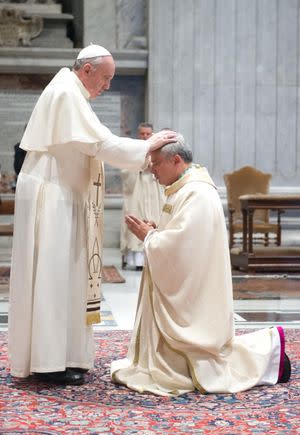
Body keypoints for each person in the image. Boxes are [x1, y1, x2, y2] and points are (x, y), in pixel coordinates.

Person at [8, 44, 177, 385]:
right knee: (53, 277)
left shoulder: (70, 91)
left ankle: (64, 356)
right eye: (105, 78)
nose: (107, 86)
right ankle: (48, 362)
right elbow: (100, 144)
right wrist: (146, 147)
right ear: (87, 70)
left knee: (65, 276)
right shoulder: (66, 93)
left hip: (63, 194)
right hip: (52, 195)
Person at [111, 134, 291, 396]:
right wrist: (156, 231)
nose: (153, 171)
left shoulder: (198, 193)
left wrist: (149, 237)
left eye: (156, 164)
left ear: (176, 160)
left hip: (196, 289)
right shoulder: (183, 188)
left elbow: (180, 246)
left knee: (208, 360)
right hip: (190, 280)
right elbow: (179, 237)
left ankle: (268, 354)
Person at [120, 123, 165, 270]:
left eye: (148, 134)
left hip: (154, 187)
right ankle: (136, 261)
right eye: (142, 134)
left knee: (154, 219)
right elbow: (125, 170)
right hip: (138, 189)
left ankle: (152, 257)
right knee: (137, 217)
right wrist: (140, 165)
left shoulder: (158, 149)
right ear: (138, 134)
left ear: (152, 134)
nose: (145, 136)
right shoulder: (134, 150)